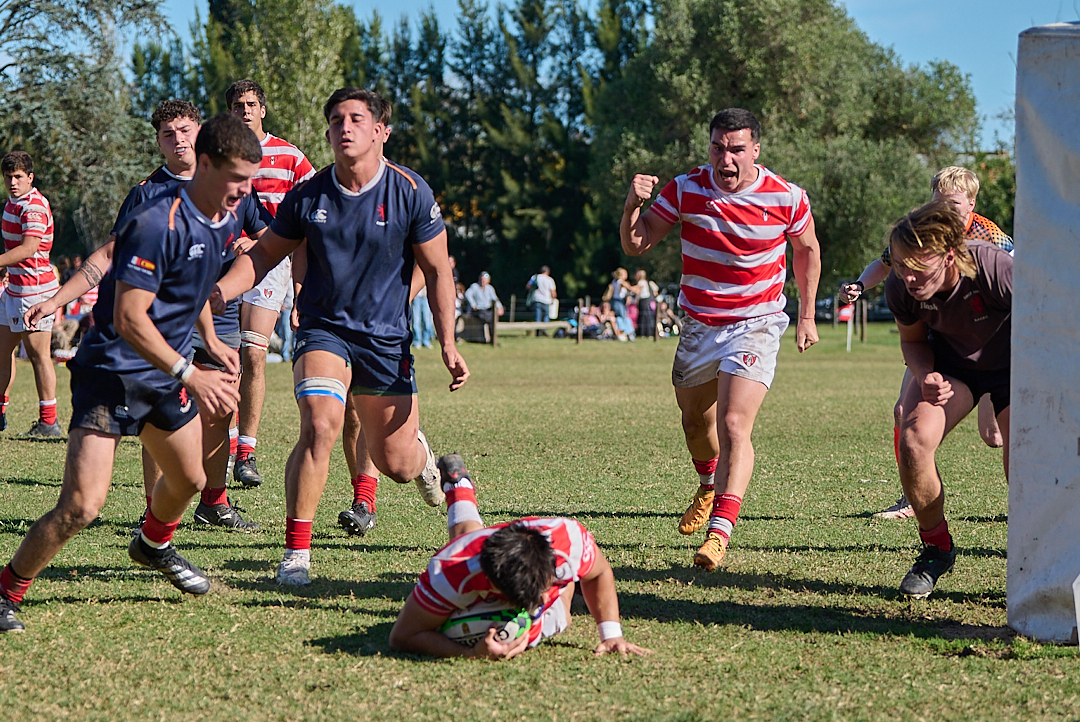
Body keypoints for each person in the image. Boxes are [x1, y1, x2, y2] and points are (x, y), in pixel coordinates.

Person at [0, 114, 261, 633]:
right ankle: (6, 590)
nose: (244, 191)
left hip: (164, 375)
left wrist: (210, 340)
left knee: (189, 479)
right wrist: (191, 373)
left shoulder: (222, 219)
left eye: (249, 180)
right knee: (81, 507)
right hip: (113, 372)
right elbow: (127, 316)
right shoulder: (155, 221)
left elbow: (192, 284)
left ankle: (151, 544)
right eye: (237, 178)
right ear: (206, 166)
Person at [212, 87, 469, 586]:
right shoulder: (309, 195)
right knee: (319, 425)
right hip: (323, 330)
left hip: (385, 338)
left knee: (396, 463)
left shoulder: (410, 191)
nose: (344, 128)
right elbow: (263, 255)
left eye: (355, 119)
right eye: (335, 120)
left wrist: (447, 342)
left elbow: (438, 270)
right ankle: (296, 554)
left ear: (380, 131)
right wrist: (220, 291)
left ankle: (429, 464)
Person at [24, 99, 269, 531]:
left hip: (215, 312)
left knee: (218, 409)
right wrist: (57, 299)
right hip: (155, 324)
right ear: (158, 142)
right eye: (168, 134)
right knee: (157, 414)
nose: (179, 140)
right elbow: (107, 256)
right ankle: (153, 512)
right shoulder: (147, 195)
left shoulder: (234, 187)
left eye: (185, 130)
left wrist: (247, 257)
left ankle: (213, 502)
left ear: (200, 134)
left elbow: (268, 243)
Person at [620, 107, 820, 571]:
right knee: (695, 423)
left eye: (736, 150)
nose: (725, 159)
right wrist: (632, 207)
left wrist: (807, 315)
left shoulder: (787, 196)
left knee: (733, 425)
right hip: (699, 325)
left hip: (756, 322)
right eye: (717, 148)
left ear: (755, 150)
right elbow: (637, 244)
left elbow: (807, 249)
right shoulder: (685, 188)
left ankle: (719, 533)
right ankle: (708, 485)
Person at [838, 166, 1014, 520]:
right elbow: (886, 263)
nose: (943, 210)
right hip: (941, 344)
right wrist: (860, 284)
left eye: (952, 204)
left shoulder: (991, 240)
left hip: (997, 349)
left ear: (971, 204)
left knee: (995, 437)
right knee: (904, 413)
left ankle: (1028, 511)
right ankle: (910, 498)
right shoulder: (919, 236)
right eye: (937, 202)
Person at [388, 454, 651, 659]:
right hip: (470, 551)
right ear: (490, 585)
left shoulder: (570, 543)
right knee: (464, 536)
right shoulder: (449, 572)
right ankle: (459, 487)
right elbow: (402, 636)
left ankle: (459, 486)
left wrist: (611, 634)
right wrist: (471, 653)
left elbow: (599, 572)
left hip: (528, 547)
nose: (544, 599)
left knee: (562, 617)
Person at [883, 199, 1011, 598]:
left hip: (1016, 366)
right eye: (900, 265)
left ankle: (1039, 557)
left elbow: (1050, 321)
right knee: (913, 441)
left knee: (1024, 464)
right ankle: (937, 550)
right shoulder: (901, 287)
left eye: (917, 266)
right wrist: (926, 374)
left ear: (950, 255)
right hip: (954, 368)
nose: (908, 277)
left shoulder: (995, 268)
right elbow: (912, 341)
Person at [228, 79, 317, 489]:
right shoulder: (218, 155)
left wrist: (300, 291)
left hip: (271, 264)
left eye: (251, 104)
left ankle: (246, 452)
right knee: (222, 358)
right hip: (222, 264)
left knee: (253, 352)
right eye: (238, 105)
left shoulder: (291, 157)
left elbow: (307, 222)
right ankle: (226, 445)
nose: (245, 111)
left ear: (263, 110)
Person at [0, 151, 61, 436]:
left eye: (18, 177)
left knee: (39, 357)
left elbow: (29, 248)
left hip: (35, 292)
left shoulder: (34, 205)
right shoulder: (12, 203)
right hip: (13, 289)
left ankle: (49, 422)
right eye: (8, 177)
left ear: (30, 177)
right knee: (2, 352)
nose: (13, 183)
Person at [634, 269, 659, 338]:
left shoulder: (641, 282)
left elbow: (638, 292)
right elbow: (656, 291)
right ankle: (649, 332)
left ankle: (643, 332)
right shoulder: (648, 282)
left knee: (643, 317)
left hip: (643, 300)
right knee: (648, 316)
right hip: (648, 301)